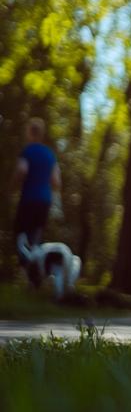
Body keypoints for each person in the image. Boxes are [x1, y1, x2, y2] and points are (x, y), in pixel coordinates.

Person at [10, 118, 61, 287]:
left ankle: (24, 273)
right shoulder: (49, 154)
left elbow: (22, 170)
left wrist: (13, 185)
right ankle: (36, 277)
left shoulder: (28, 151)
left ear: (30, 133)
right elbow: (56, 181)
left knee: (21, 235)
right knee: (36, 239)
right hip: (44, 201)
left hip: (29, 199)